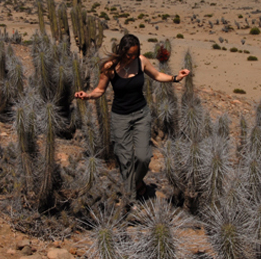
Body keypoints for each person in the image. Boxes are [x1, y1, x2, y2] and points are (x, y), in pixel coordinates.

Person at [74, 34, 190, 199]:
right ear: (122, 51)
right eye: (129, 55)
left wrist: (176, 78)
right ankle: (130, 195)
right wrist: (87, 95)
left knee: (144, 157)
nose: (132, 57)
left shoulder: (141, 61)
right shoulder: (110, 67)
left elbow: (157, 76)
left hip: (141, 114)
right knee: (124, 158)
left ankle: (135, 182)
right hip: (120, 117)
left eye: (135, 54)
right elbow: (100, 90)